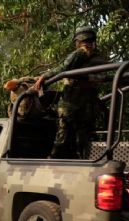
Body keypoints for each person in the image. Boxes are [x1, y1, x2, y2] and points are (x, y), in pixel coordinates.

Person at [34, 26, 108, 159]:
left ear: (79, 41)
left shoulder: (81, 52)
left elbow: (64, 68)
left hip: (72, 103)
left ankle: (53, 158)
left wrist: (45, 76)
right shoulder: (99, 57)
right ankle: (82, 160)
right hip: (88, 105)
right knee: (83, 137)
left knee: (63, 133)